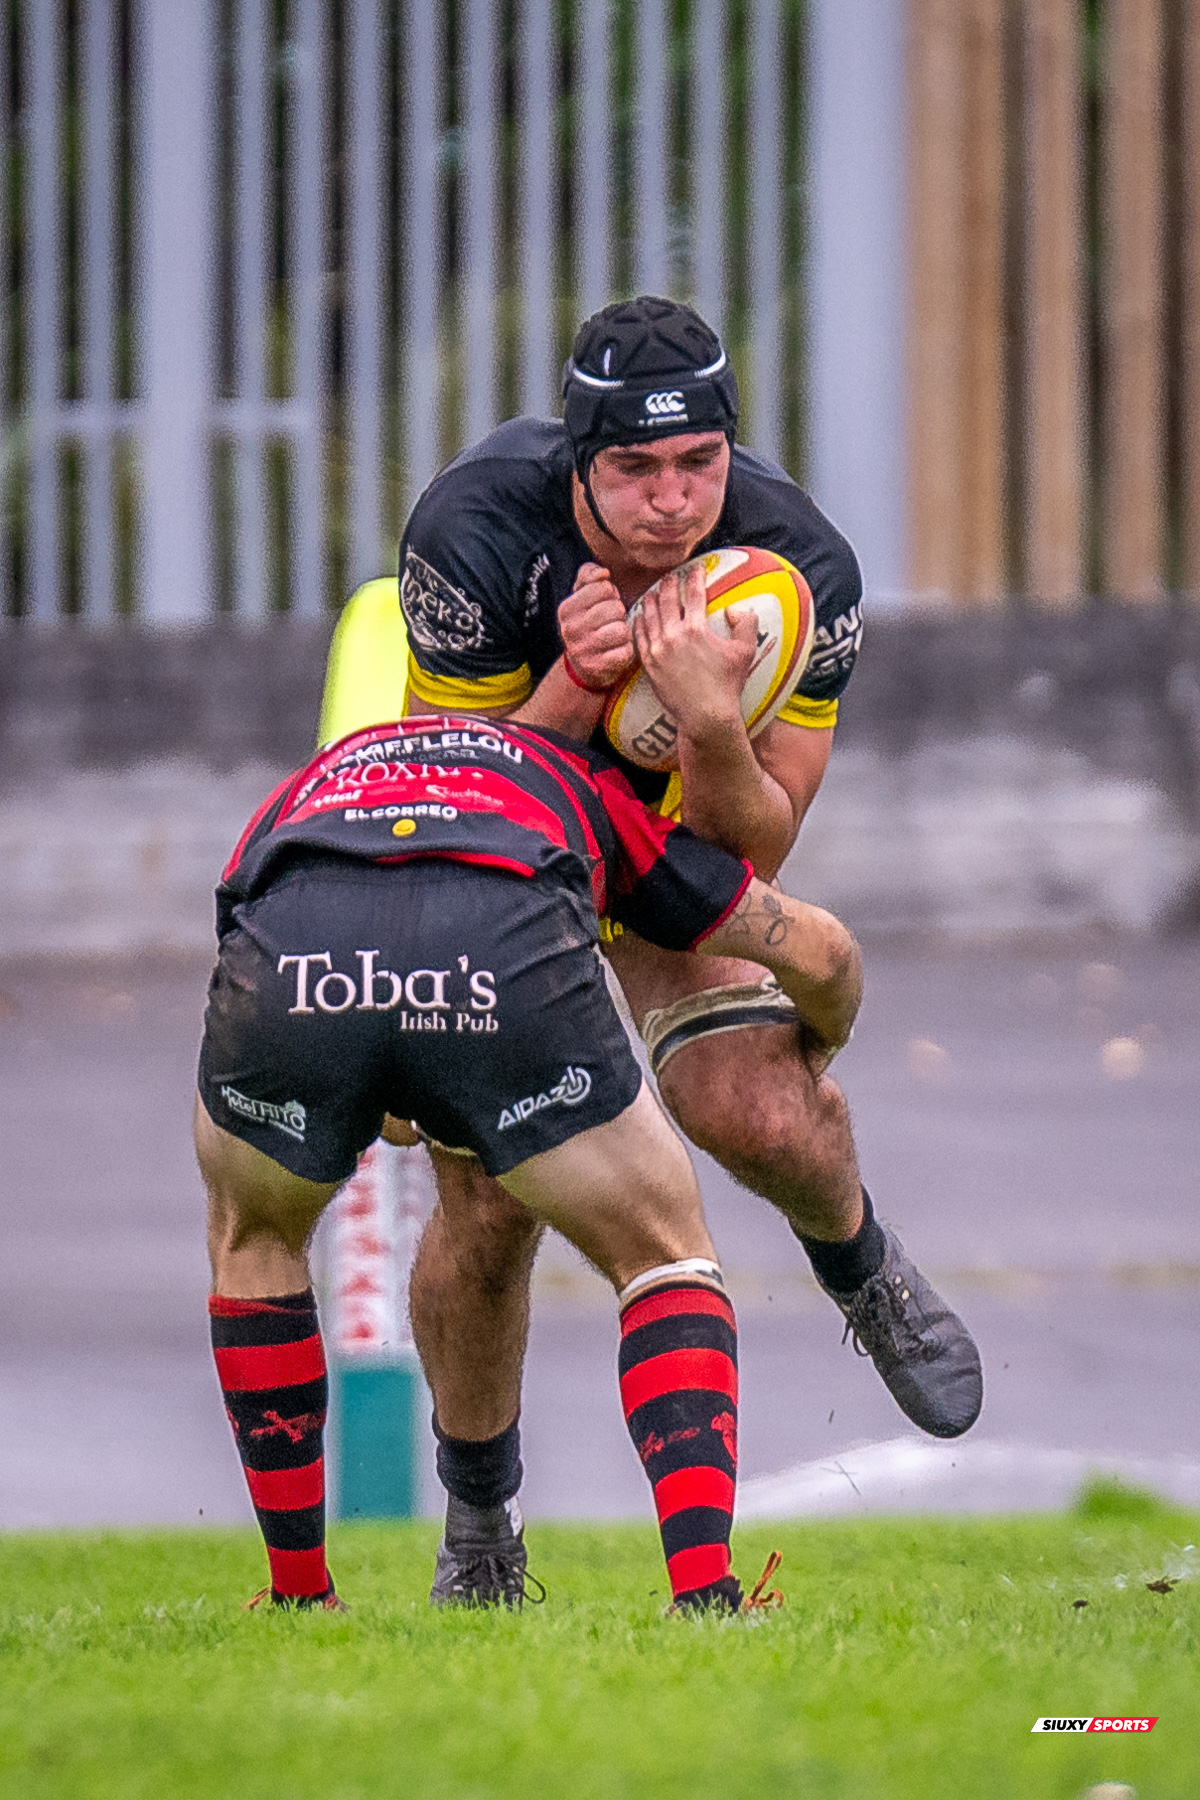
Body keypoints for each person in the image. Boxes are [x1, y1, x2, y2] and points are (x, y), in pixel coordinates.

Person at [384, 294, 982, 1602]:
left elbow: (754, 855)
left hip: (671, 854)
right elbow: (440, 809)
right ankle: (481, 1534)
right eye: (634, 470)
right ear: (578, 461)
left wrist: (709, 727)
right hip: (503, 870)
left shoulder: (798, 566)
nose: (671, 501)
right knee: (486, 1202)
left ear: (731, 450)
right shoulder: (476, 530)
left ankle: (862, 1266)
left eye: (698, 464)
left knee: (756, 1107)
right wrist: (570, 692)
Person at [196, 708, 861, 1614]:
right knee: (662, 1248)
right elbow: (819, 948)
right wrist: (828, 1026)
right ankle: (705, 1594)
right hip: (496, 955)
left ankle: (299, 1596)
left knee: (256, 1238)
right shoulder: (583, 786)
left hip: (294, 964)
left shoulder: (319, 775)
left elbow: (243, 921)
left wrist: (376, 1062)